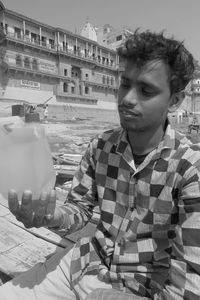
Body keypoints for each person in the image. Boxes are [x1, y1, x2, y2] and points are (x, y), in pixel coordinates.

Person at [0, 29, 199, 299]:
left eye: (146, 90)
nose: (128, 99)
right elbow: (79, 211)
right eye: (125, 84)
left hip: (143, 289)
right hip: (84, 265)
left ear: (175, 101)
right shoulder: (101, 146)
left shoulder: (189, 171)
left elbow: (187, 286)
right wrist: (50, 216)